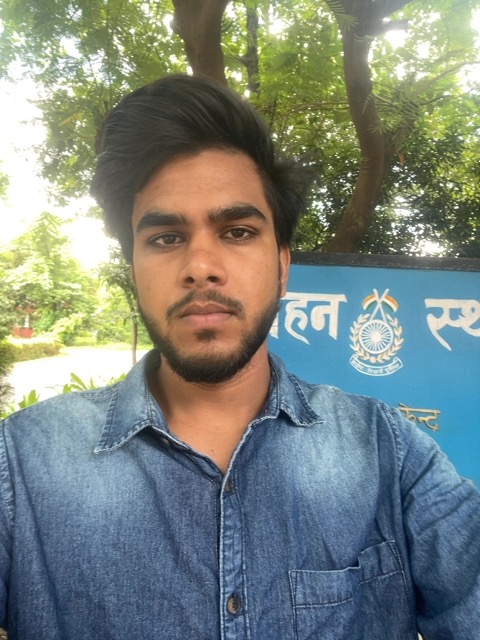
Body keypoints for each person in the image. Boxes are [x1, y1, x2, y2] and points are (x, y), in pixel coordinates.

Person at [0, 74, 479, 640]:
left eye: (237, 231)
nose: (201, 267)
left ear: (283, 265)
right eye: (165, 238)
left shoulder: (389, 455)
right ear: (134, 269)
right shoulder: (21, 467)